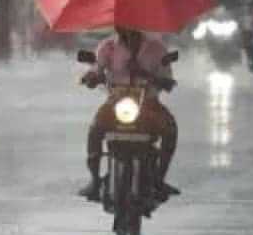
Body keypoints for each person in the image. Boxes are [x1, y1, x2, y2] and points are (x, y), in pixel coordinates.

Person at [77, 27, 181, 205]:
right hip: (115, 103)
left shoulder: (157, 49)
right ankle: (94, 180)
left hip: (148, 104)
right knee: (95, 129)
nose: (125, 27)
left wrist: (146, 75)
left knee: (170, 128)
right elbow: (97, 69)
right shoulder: (107, 47)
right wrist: (91, 77)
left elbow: (168, 81)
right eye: (121, 23)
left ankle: (159, 179)